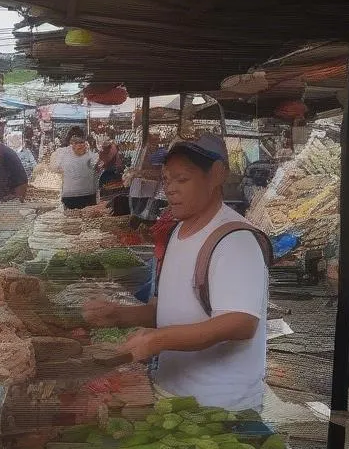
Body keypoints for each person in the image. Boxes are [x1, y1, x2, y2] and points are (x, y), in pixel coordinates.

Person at [84, 135, 269, 411]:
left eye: (182, 180)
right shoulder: (177, 232)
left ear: (217, 175)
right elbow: (171, 308)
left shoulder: (235, 240)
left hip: (220, 409)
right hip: (174, 396)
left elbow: (240, 322)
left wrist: (157, 340)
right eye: (167, 180)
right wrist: (119, 315)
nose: (170, 189)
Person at [51, 126, 98, 210]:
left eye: (81, 142)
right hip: (71, 195)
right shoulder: (62, 153)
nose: (79, 145)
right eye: (75, 142)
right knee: (72, 220)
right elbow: (54, 168)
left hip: (88, 194)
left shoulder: (90, 154)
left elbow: (96, 168)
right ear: (70, 142)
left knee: (88, 220)